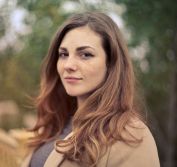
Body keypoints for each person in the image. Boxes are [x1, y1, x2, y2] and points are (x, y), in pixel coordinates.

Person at [21, 12, 160, 167]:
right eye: (63, 54)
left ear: (111, 64)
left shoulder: (130, 135)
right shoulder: (55, 124)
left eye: (85, 55)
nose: (68, 65)